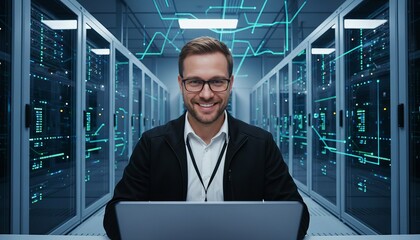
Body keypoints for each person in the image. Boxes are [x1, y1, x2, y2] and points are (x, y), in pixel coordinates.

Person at [103, 36, 310, 239]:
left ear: (230, 83)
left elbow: (297, 217)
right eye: (194, 82)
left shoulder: (260, 143)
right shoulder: (152, 143)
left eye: (217, 82)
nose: (206, 94)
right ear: (181, 83)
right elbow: (115, 219)